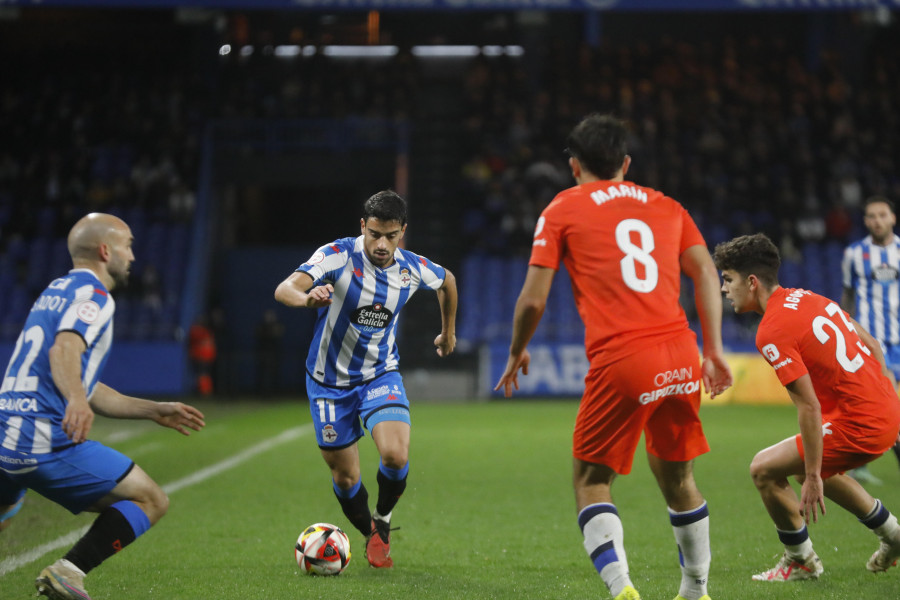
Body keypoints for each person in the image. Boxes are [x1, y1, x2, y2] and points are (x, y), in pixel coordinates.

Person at [494, 114, 733, 600]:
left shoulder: (562, 208)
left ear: (574, 165)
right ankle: (696, 591)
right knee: (679, 477)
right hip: (681, 352)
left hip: (624, 357)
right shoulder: (667, 205)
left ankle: (622, 588)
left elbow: (534, 299)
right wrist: (713, 350)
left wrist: (518, 350)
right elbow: (707, 272)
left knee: (591, 478)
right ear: (626, 162)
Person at [0, 213, 206, 600]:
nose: (132, 255)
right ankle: (68, 572)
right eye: (128, 245)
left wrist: (153, 410)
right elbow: (66, 349)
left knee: (4, 514)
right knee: (151, 499)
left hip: (4, 432)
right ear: (105, 250)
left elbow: (84, 382)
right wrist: (75, 400)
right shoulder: (94, 296)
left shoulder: (56, 290)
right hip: (40, 438)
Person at [274, 190, 457, 569]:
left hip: (379, 374)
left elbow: (447, 282)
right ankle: (370, 533)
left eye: (391, 236)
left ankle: (384, 520)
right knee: (345, 477)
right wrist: (307, 299)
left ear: (402, 231)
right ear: (363, 227)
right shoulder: (338, 255)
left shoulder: (410, 268)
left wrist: (449, 332)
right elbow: (285, 288)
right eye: (374, 233)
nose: (381, 243)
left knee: (395, 454)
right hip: (327, 381)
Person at [713, 232, 900, 582]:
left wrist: (814, 476)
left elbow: (809, 407)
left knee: (763, 469)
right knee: (802, 464)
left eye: (728, 279)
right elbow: (872, 345)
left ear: (752, 282)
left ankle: (800, 560)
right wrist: (888, 403)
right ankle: (893, 534)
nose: (724, 289)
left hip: (860, 424)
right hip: (887, 412)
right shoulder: (808, 297)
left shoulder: (772, 330)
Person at [841, 195, 900, 485]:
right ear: (865, 221)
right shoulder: (854, 253)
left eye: (882, 215)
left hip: (899, 340)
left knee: (889, 407)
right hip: (869, 342)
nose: (877, 220)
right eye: (871, 216)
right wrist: (844, 331)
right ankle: (859, 464)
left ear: (893, 218)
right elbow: (848, 295)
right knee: (887, 404)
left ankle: (859, 463)